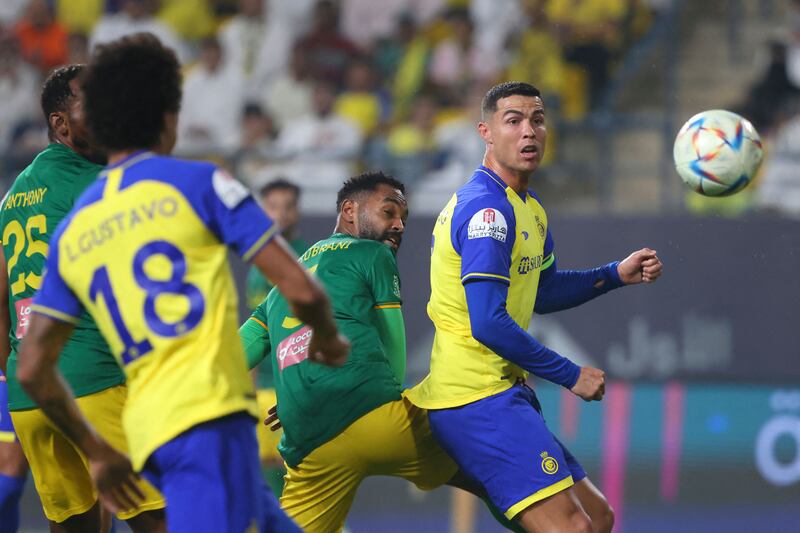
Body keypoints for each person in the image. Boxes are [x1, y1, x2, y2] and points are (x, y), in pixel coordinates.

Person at [15, 33, 348, 533]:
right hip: (204, 410)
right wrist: (328, 338)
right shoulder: (202, 182)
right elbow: (300, 289)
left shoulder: (77, 225)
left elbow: (32, 366)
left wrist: (96, 450)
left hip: (140, 418)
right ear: (167, 118)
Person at [405, 81, 663, 533]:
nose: (529, 132)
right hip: (474, 399)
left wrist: (613, 274)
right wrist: (570, 374)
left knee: (599, 517)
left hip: (504, 396)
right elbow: (487, 323)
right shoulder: (487, 211)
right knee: (574, 529)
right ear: (485, 132)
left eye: (537, 120)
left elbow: (542, 292)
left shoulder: (529, 209)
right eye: (514, 121)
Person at [0, 64, 166, 533]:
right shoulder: (100, 187)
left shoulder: (14, 196)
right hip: (94, 380)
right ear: (60, 123)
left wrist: (14, 374)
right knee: (163, 515)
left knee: (77, 525)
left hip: (29, 398)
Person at [246, 179, 309, 498]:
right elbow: (257, 333)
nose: (281, 214)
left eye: (288, 206)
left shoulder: (311, 258)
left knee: (298, 469)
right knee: (264, 466)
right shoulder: (258, 263)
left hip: (295, 384)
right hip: (262, 392)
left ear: (298, 211)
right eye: (273, 206)